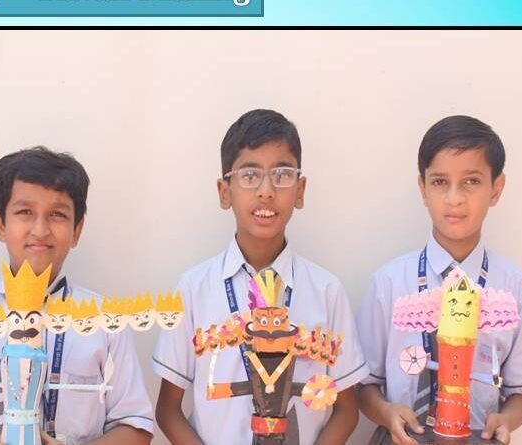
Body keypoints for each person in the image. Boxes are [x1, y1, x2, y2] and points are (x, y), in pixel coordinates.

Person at [0, 146, 153, 445]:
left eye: (57, 215)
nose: (40, 229)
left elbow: (134, 426)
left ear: (77, 230)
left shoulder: (105, 322)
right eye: (25, 212)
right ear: (0, 224)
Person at [152, 109, 367, 445]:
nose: (266, 190)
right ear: (225, 191)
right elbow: (168, 410)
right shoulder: (194, 290)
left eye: (281, 174)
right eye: (250, 175)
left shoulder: (326, 291)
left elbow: (347, 410)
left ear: (300, 190)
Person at [356, 115, 522, 445]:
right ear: (422, 188)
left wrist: (506, 420)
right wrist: (386, 412)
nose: (454, 198)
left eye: (471, 181)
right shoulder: (389, 284)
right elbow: (365, 386)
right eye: (440, 182)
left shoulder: (515, 289)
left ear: (496, 188)